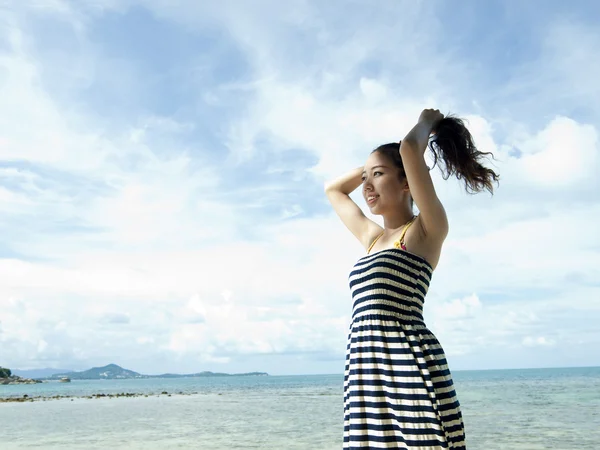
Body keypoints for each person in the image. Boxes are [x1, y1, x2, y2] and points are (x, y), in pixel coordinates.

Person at [325, 109, 499, 449]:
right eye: (365, 178)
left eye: (379, 175)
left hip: (409, 366)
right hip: (366, 372)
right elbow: (333, 190)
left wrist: (427, 123)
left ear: (407, 182)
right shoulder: (372, 239)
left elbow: (407, 148)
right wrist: (369, 170)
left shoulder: (424, 231)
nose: (367, 186)